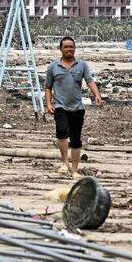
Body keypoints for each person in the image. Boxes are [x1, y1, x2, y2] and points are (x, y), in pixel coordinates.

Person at [43, 36, 103, 178]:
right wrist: (49, 103)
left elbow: (89, 81)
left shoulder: (82, 65)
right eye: (66, 47)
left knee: (76, 140)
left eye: (71, 47)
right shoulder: (53, 67)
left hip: (77, 107)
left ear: (74, 49)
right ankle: (65, 163)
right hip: (60, 106)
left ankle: (74, 171)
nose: (69, 49)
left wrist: (97, 94)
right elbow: (48, 87)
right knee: (62, 132)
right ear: (61, 49)